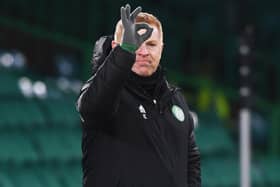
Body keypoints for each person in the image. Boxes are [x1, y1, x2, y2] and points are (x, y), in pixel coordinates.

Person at [77, 4, 201, 187]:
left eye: (151, 44)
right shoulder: (107, 92)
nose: (143, 52)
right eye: (135, 44)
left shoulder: (175, 99)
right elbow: (91, 109)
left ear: (162, 48)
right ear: (115, 46)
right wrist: (125, 52)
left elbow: (191, 162)